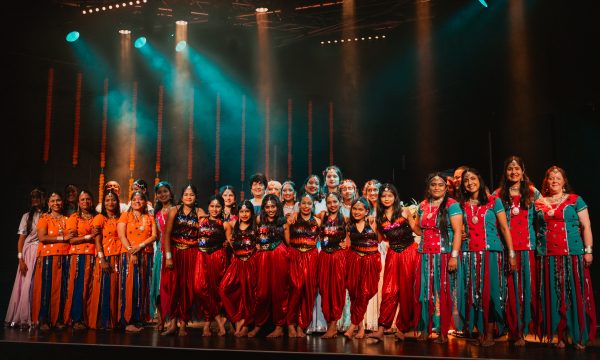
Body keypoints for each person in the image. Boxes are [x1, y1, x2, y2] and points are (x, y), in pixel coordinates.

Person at [535, 166, 596, 350]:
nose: (554, 181)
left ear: (564, 181)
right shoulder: (539, 203)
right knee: (555, 295)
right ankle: (560, 335)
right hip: (548, 256)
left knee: (574, 294)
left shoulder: (575, 200)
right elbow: (535, 229)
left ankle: (577, 334)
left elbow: (586, 226)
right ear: (546, 182)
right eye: (551, 178)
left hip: (572, 254)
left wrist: (588, 250)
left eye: (557, 178)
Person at [458, 168, 517, 347]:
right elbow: (459, 229)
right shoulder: (461, 205)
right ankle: (481, 332)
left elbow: (505, 228)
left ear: (480, 180)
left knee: (490, 293)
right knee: (474, 294)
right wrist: (461, 234)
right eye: (466, 180)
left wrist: (512, 253)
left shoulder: (494, 201)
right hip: (469, 254)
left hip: (491, 253)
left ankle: (490, 333)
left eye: (473, 178)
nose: (470, 182)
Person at [493, 156, 541, 346]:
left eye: (517, 169)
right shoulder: (498, 194)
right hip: (506, 248)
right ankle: (513, 330)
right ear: (505, 172)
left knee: (526, 289)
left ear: (523, 171)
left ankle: (524, 329)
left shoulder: (532, 193)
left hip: (527, 247)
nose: (513, 172)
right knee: (509, 290)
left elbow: (544, 215)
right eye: (510, 169)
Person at [411, 173, 463, 343]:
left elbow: (457, 232)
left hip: (444, 254)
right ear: (429, 187)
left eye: (441, 185)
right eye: (433, 184)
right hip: (424, 255)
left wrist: (454, 257)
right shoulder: (423, 205)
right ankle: (425, 329)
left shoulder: (452, 205)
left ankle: (442, 331)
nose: (437, 187)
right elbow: (419, 229)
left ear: (446, 188)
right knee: (425, 293)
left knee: (444, 293)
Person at [368, 184, 419, 342]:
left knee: (406, 291)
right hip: (393, 254)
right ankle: (382, 328)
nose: (386, 198)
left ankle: (404, 329)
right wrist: (373, 226)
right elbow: (378, 239)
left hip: (409, 252)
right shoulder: (379, 217)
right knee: (389, 291)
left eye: (390, 195)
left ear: (395, 197)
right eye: (383, 196)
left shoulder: (404, 211)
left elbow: (417, 230)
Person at [160, 184, 205, 337]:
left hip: (192, 254)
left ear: (196, 197)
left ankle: (183, 325)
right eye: (186, 194)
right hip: (175, 254)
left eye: (191, 194)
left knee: (188, 289)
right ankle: (172, 324)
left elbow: (206, 232)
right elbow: (166, 235)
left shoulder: (200, 212)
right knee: (174, 288)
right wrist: (168, 256)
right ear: (181, 196)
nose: (189, 197)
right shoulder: (174, 210)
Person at [247, 194, 290, 338]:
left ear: (278, 207)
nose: (270, 209)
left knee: (279, 292)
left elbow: (289, 243)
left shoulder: (283, 222)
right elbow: (253, 236)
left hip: (279, 255)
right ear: (264, 208)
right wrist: (257, 245)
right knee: (261, 293)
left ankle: (279, 327)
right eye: (267, 207)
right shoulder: (259, 219)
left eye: (273, 206)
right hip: (263, 257)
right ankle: (258, 324)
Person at [117, 191, 158, 333]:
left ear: (145, 202)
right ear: (130, 202)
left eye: (140, 199)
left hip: (145, 255)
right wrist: (131, 250)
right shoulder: (125, 216)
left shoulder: (149, 217)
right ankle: (127, 320)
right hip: (129, 255)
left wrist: (140, 247)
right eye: (134, 199)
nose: (137, 202)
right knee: (129, 287)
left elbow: (154, 236)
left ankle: (139, 317)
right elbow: (121, 235)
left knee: (143, 287)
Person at [5, 188, 45, 329]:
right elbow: (21, 239)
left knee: (38, 284)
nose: (35, 200)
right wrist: (20, 259)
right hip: (29, 253)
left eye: (38, 197)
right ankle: (23, 317)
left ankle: (37, 317)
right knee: (27, 283)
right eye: (33, 197)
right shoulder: (27, 216)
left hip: (43, 251)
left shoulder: (47, 215)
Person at [32, 191, 72, 330]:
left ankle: (58, 319)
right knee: (47, 288)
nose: (56, 203)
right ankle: (44, 319)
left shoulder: (67, 219)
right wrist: (62, 238)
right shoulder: (44, 218)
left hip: (65, 256)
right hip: (48, 257)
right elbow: (42, 238)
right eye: (53, 201)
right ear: (48, 204)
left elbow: (71, 237)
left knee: (61, 289)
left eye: (58, 200)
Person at [219, 200, 258, 337]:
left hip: (251, 262)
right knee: (224, 288)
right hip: (236, 263)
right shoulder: (233, 224)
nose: (244, 214)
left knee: (248, 295)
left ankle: (245, 324)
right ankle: (237, 318)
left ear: (252, 213)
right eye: (242, 211)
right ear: (238, 213)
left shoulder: (256, 225)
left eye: (247, 211)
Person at [344, 197, 381, 339]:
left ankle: (352, 326)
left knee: (365, 293)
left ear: (366, 211)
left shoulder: (372, 222)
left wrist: (374, 225)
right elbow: (347, 243)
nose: (357, 211)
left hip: (370, 261)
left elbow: (379, 240)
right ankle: (360, 329)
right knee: (355, 294)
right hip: (354, 261)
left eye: (360, 209)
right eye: (355, 209)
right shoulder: (348, 224)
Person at [195, 195, 232, 337]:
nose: (214, 209)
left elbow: (229, 242)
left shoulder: (225, 224)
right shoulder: (201, 221)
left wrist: (228, 244)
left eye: (218, 206)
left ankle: (207, 324)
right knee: (199, 288)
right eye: (212, 206)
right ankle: (219, 319)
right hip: (201, 256)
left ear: (222, 208)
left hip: (218, 257)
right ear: (208, 207)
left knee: (214, 291)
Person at [285, 193, 321, 337]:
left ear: (313, 206)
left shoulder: (318, 221)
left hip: (312, 257)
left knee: (309, 291)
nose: (306, 206)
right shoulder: (292, 219)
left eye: (309, 204)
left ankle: (302, 325)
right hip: (295, 255)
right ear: (299, 205)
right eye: (303, 203)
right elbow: (288, 240)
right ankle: (290, 324)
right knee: (295, 288)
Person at [64, 190, 98, 330]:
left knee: (91, 288)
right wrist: (88, 237)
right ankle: (76, 319)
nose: (85, 202)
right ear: (78, 202)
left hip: (94, 255)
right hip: (79, 255)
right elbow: (71, 240)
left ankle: (88, 319)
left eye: (88, 199)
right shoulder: (74, 217)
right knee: (79, 286)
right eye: (82, 199)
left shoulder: (97, 217)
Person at [88, 190, 122, 330]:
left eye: (113, 200)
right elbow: (97, 241)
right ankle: (103, 321)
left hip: (119, 256)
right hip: (105, 257)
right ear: (103, 203)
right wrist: (102, 260)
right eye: (107, 200)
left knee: (115, 289)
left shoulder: (121, 218)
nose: (110, 202)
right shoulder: (99, 218)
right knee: (104, 288)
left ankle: (114, 321)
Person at [317, 192, 348, 339]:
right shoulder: (322, 217)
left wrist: (345, 245)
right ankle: (330, 324)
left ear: (340, 202)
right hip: (324, 257)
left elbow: (351, 238)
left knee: (336, 290)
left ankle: (333, 325)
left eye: (335, 202)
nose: (332, 205)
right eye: (329, 202)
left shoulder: (346, 219)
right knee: (324, 290)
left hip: (338, 257)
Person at [151, 181, 175, 331]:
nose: (162, 194)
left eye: (165, 191)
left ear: (171, 192)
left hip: (174, 251)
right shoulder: (157, 214)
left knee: (171, 287)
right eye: (159, 192)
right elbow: (158, 235)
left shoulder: (176, 210)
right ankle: (160, 319)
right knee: (158, 287)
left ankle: (172, 320)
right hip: (160, 252)